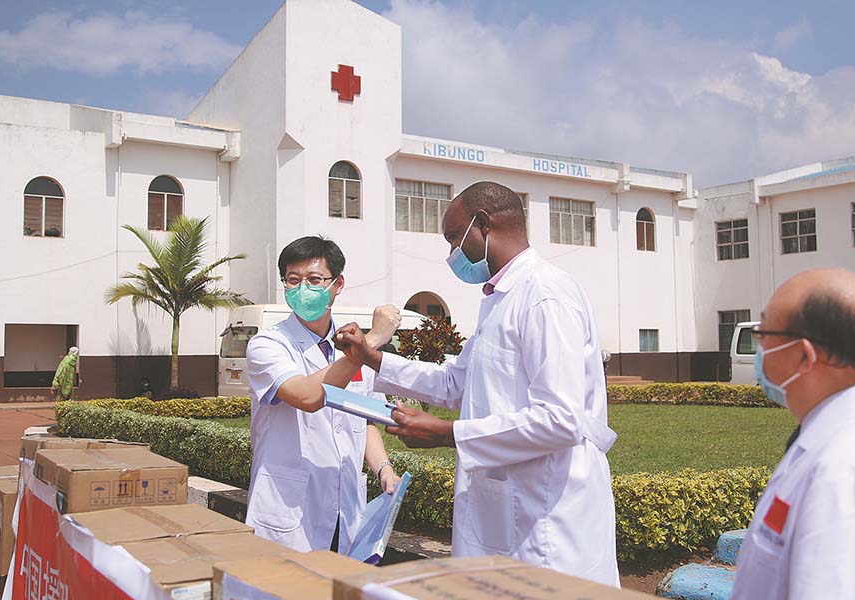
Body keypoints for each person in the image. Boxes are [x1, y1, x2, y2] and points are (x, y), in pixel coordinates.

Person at [335, 181, 620, 585]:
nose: (452, 253)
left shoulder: (544, 296)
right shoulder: (499, 298)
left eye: (454, 236)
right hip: (504, 507)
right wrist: (372, 357)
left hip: (545, 516)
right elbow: (456, 382)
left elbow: (562, 419)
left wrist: (448, 433)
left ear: (483, 224)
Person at [731, 268, 855, 599]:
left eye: (764, 334)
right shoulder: (850, 436)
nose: (760, 350)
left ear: (805, 356)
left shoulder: (846, 475)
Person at [245, 235, 402, 554]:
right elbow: (306, 396)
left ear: (338, 283)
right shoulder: (269, 344)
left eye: (315, 279)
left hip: (345, 510)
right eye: (293, 280)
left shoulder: (349, 345)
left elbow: (365, 419)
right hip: (290, 511)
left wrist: (384, 468)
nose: (303, 289)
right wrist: (370, 342)